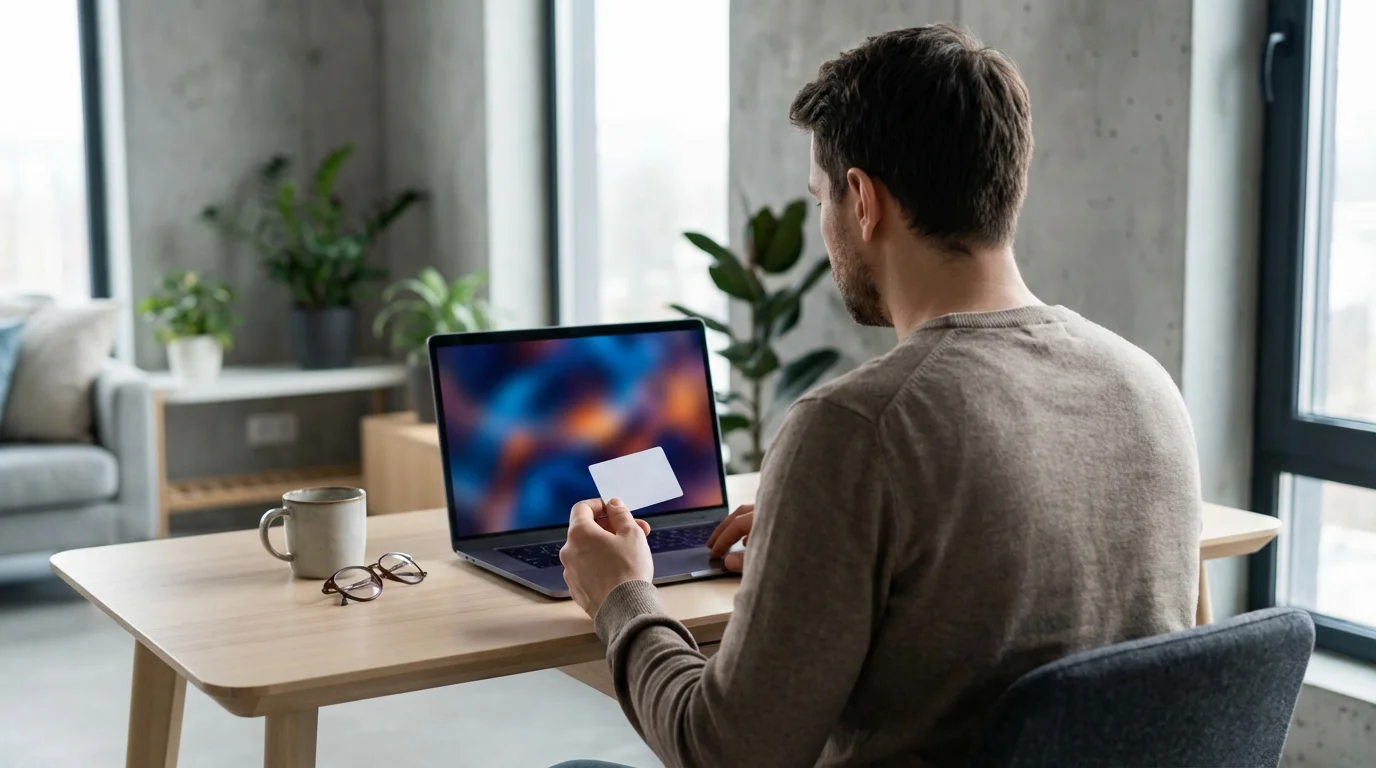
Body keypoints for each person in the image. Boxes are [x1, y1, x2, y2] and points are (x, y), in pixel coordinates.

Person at [557, 23, 1200, 768]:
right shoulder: (1149, 389)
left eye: (820, 198)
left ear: (862, 199)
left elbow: (726, 754)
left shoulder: (855, 429)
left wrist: (622, 596)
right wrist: (820, 535)